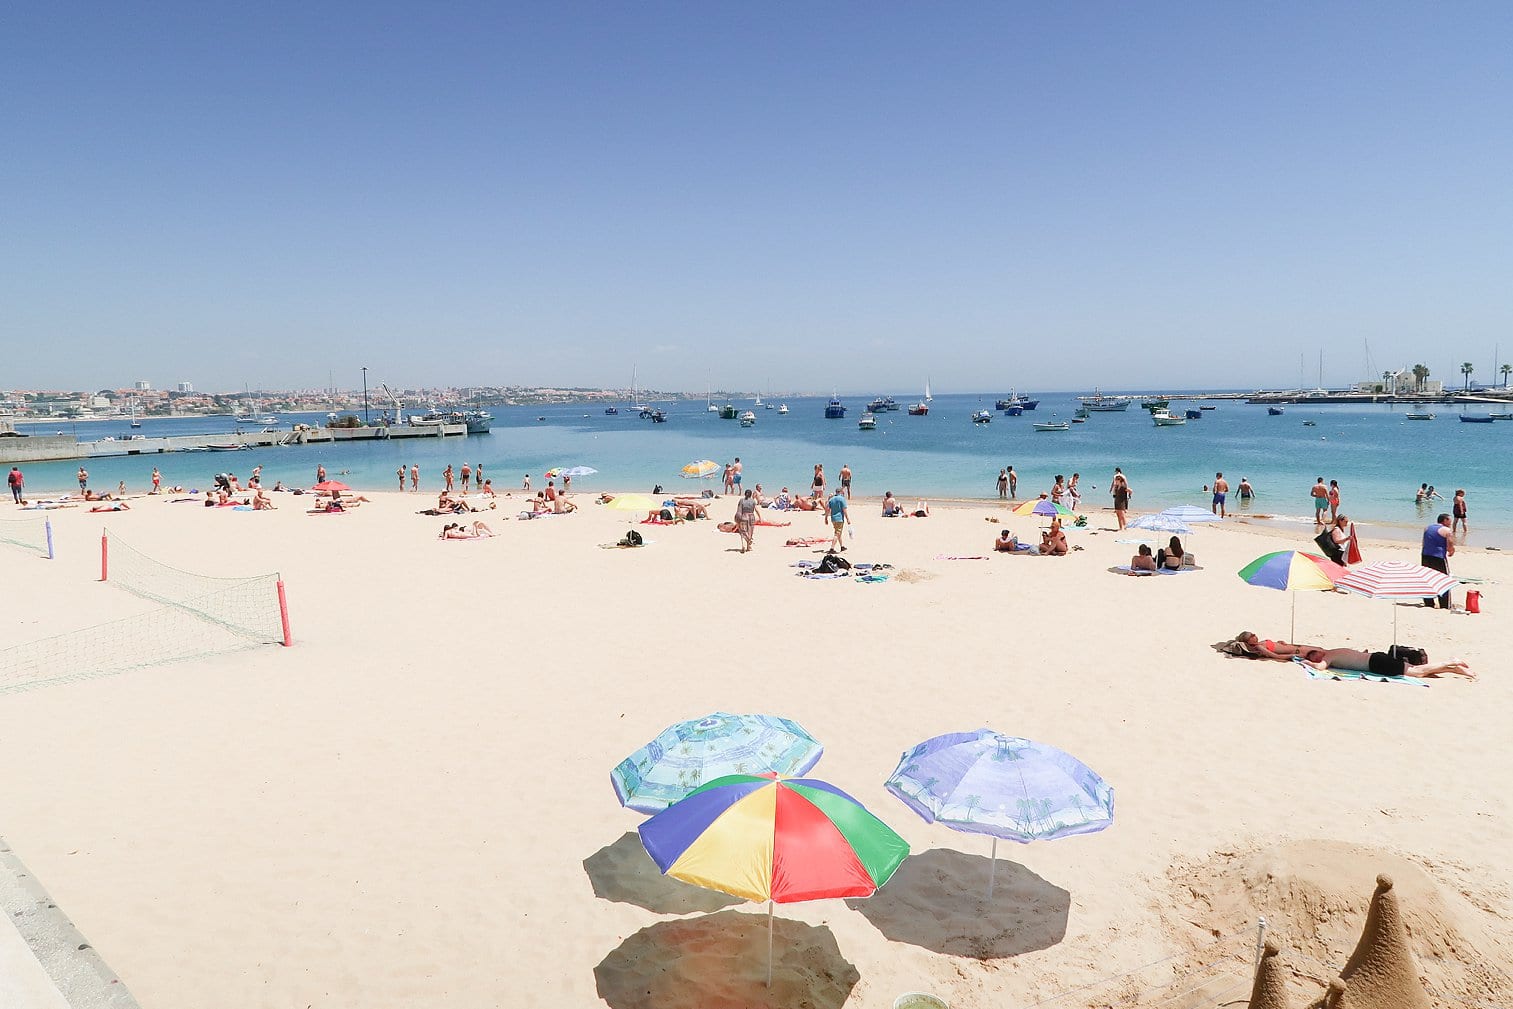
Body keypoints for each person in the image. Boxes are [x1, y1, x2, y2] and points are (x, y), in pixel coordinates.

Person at [1230, 633, 1474, 680]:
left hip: (1376, 663)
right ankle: (1455, 669)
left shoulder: (1329, 657)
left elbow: (1321, 668)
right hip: (1376, 658)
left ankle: (1451, 661)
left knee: (1418, 672)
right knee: (1419, 672)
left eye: (1314, 655)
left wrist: (1304, 662)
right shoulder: (1336, 651)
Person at [1420, 513, 1455, 609]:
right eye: (1449, 520)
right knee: (1443, 580)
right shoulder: (1446, 530)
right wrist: (1451, 551)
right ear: (1445, 520)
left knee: (1427, 579)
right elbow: (1450, 543)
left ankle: (1428, 602)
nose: (1451, 523)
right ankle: (1444, 604)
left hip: (1425, 555)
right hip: (1438, 557)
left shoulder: (1427, 528)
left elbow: (1423, 542)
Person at [735, 488, 758, 553]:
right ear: (751, 495)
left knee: (743, 532)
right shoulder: (753, 501)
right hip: (751, 517)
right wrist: (759, 517)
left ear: (745, 494)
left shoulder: (741, 500)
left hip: (744, 516)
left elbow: (739, 511)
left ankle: (744, 545)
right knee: (750, 531)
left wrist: (737, 519)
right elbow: (755, 510)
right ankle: (748, 546)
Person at [827, 485, 849, 551]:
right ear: (841, 492)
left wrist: (826, 518)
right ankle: (832, 548)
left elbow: (827, 509)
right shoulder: (842, 499)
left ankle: (842, 546)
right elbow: (844, 510)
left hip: (833, 519)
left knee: (838, 533)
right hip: (839, 519)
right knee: (837, 534)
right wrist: (848, 519)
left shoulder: (831, 499)